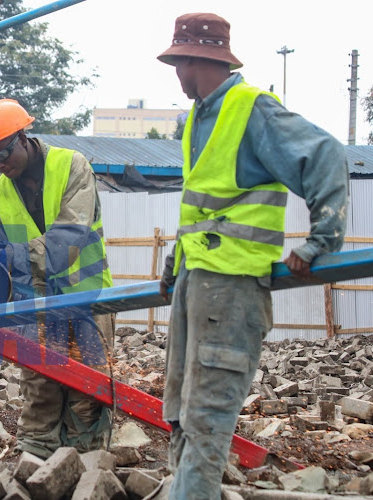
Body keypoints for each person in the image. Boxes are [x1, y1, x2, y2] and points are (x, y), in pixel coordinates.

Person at [157, 13, 348, 499]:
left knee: (207, 419)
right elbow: (208, 206)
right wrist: (177, 261)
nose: (175, 73)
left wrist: (320, 240)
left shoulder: (251, 110)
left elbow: (324, 154)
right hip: (197, 285)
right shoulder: (200, 118)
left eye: (177, 63)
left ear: (192, 61)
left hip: (234, 288)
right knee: (179, 411)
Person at [0, 99, 116, 458]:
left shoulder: (72, 166)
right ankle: (35, 463)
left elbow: (71, 237)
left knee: (87, 390)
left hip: (87, 295)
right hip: (35, 304)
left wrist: (16, 256)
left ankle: (85, 468)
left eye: (3, 153)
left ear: (23, 137)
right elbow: (6, 259)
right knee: (40, 386)